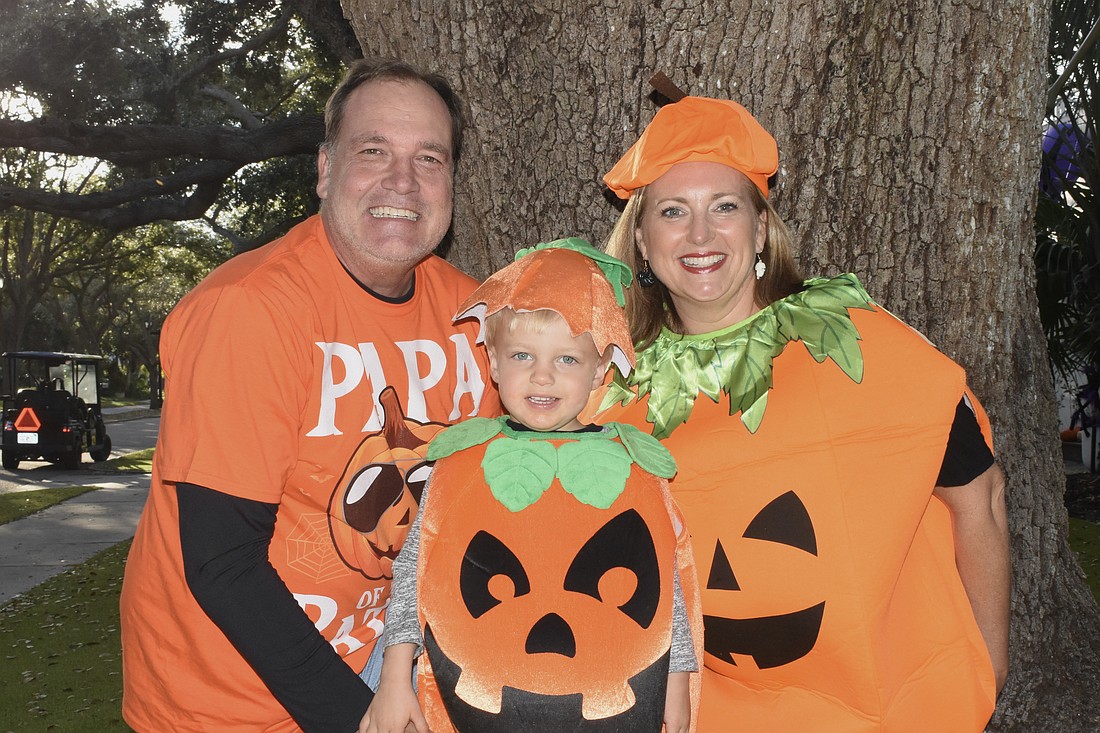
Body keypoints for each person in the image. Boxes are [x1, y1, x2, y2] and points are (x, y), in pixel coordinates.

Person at [596, 95, 1011, 731]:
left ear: (760, 230)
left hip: (899, 708)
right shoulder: (617, 396)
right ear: (644, 243)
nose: (700, 236)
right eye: (673, 212)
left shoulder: (857, 346)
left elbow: (979, 495)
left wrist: (989, 662)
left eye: (724, 208)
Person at [120, 58, 498, 733]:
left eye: (429, 158)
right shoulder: (251, 312)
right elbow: (222, 562)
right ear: (325, 170)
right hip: (231, 699)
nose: (402, 181)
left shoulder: (476, 318)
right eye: (373, 150)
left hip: (387, 658)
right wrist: (357, 719)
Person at [361, 239, 703, 733]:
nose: (542, 376)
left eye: (567, 360)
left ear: (600, 372)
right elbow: (417, 576)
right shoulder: (461, 464)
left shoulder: (633, 469)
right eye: (523, 355)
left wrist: (675, 689)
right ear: (495, 364)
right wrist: (396, 676)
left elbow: (665, 585)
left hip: (613, 707)